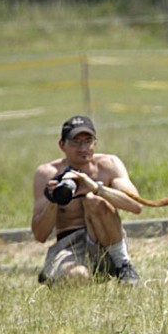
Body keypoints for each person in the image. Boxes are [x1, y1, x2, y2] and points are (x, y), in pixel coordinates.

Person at [32, 115, 143, 286]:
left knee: (94, 200)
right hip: (70, 244)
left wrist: (97, 188)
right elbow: (40, 235)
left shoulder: (108, 165)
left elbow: (136, 206)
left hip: (105, 239)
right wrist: (53, 200)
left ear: (95, 143)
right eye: (75, 142)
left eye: (88, 141)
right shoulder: (47, 174)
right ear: (62, 145)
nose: (83, 148)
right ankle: (59, 274)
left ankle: (123, 265)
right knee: (77, 276)